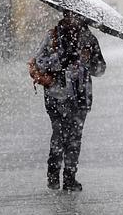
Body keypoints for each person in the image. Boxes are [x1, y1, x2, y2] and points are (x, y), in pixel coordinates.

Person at [32, 10, 106, 191]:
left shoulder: (89, 40)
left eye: (76, 16)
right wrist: (61, 59)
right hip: (56, 96)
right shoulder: (53, 36)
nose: (72, 19)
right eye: (69, 15)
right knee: (59, 135)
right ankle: (53, 174)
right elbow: (39, 62)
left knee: (75, 138)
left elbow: (101, 70)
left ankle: (70, 178)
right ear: (64, 15)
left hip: (81, 97)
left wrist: (88, 61)